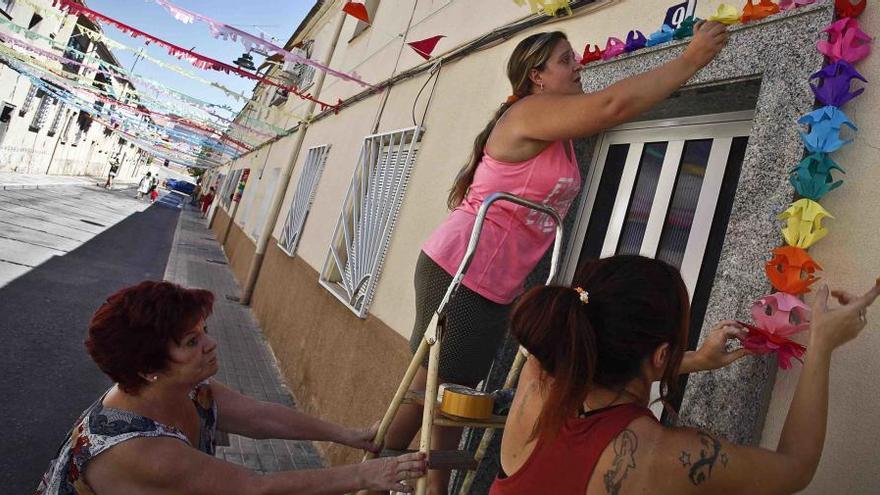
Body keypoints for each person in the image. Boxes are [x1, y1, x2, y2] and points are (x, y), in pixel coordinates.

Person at [379, 21, 730, 493]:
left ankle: (375, 472)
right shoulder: (531, 112)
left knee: (442, 393)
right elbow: (612, 105)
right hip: (463, 268)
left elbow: (610, 107)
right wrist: (690, 60)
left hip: (493, 279)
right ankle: (388, 477)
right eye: (566, 60)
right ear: (537, 76)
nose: (578, 65)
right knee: (443, 395)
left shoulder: (555, 127)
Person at [491, 255, 880, 495]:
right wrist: (822, 344)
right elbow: (795, 469)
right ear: (661, 355)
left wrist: (693, 360)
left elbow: (591, 361)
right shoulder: (664, 456)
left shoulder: (538, 379)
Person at [36, 281, 425, 495]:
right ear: (149, 368)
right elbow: (251, 488)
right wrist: (367, 476)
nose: (210, 344)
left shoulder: (186, 389)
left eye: (203, 332)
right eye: (191, 342)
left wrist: (354, 436)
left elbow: (261, 417)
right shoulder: (137, 448)